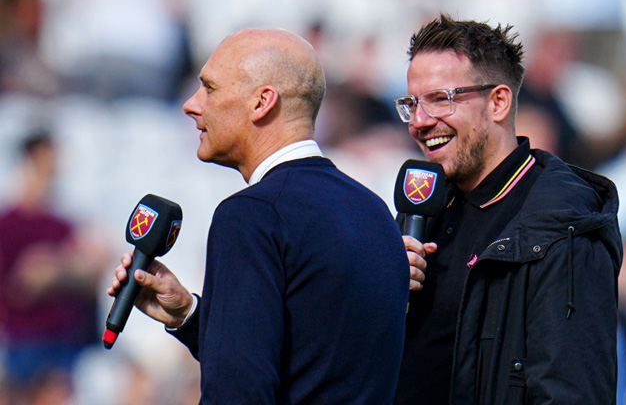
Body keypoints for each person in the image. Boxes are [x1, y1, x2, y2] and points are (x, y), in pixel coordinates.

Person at [107, 28, 410, 404]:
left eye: (210, 89)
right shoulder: (372, 208)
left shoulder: (252, 214)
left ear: (262, 102)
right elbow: (310, 362)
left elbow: (239, 388)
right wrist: (188, 314)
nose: (191, 104)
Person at [393, 15, 623, 404]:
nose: (419, 121)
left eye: (440, 100)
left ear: (499, 102)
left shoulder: (562, 226)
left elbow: (570, 391)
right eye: (412, 103)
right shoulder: (423, 207)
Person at [0, 131, 105, 403]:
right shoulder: (8, 224)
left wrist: (56, 269)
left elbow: (90, 277)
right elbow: (20, 287)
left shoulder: (62, 224)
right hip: (24, 341)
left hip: (62, 338)